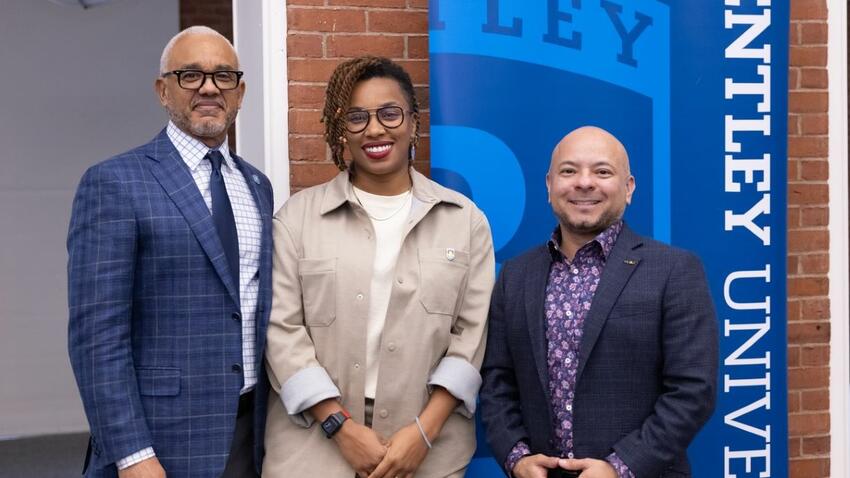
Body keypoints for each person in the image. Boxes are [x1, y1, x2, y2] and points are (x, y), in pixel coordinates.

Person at [262, 56, 495, 478]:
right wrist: (339, 426)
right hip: (313, 449)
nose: (374, 129)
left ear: (413, 122)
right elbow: (281, 332)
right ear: (341, 131)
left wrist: (423, 433)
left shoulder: (464, 221)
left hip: (426, 452)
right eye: (356, 117)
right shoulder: (296, 220)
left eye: (390, 113)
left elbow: (471, 339)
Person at [67, 26, 273, 478]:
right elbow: (97, 336)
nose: (208, 88)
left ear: (239, 93)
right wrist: (133, 454)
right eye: (190, 75)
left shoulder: (257, 186)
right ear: (163, 90)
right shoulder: (116, 183)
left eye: (224, 76)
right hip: (158, 443)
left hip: (248, 434)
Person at [480, 126, 718, 478]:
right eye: (569, 171)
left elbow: (693, 390)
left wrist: (620, 467)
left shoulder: (674, 270)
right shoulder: (516, 275)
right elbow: (496, 380)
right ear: (549, 185)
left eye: (602, 171)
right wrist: (517, 457)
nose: (584, 182)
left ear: (629, 188)